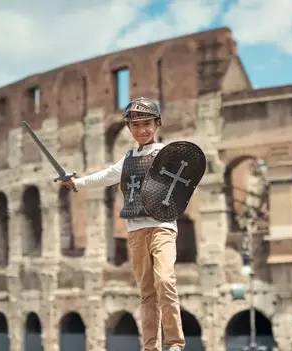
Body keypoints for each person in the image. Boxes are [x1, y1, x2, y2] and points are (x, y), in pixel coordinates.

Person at [62, 97, 185, 351]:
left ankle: (174, 343)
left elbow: (184, 183)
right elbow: (106, 176)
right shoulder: (128, 159)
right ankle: (151, 346)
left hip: (162, 227)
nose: (142, 130)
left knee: (165, 280)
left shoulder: (167, 154)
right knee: (147, 292)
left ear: (157, 123)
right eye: (136, 125)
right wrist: (77, 183)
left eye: (147, 124)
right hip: (136, 229)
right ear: (129, 129)